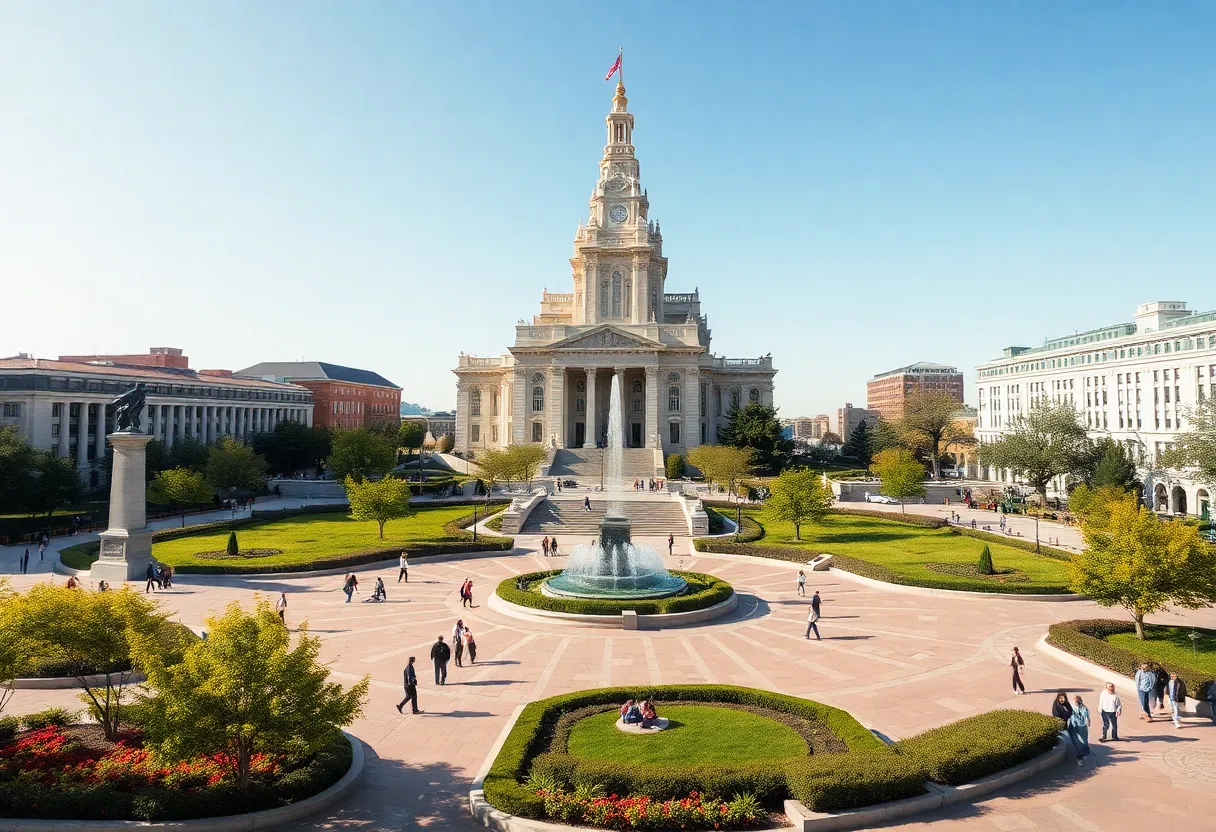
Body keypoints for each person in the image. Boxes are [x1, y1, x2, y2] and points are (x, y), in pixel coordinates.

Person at [1068, 695, 1091, 765]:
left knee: (1084, 739)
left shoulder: (1084, 708)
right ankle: (1082, 750)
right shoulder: (1071, 706)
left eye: (1078, 702)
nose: (1077, 703)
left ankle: (1084, 750)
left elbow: (1087, 717)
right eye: (1076, 702)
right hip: (1075, 725)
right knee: (1076, 738)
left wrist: (1088, 723)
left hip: (1081, 725)